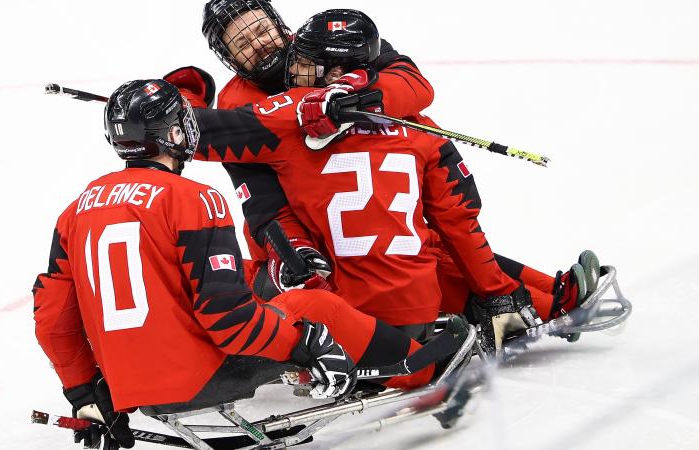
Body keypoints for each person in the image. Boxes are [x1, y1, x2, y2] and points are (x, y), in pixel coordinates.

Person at [33, 79, 463, 449]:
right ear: (179, 134)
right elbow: (228, 319)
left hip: (127, 387)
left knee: (236, 273)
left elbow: (52, 320)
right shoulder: (193, 199)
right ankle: (423, 368)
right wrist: (305, 343)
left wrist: (85, 393)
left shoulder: (75, 212)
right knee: (313, 308)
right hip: (199, 379)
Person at [166, 0, 436, 301]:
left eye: (261, 29)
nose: (259, 44)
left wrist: (349, 95)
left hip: (387, 228)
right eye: (243, 42)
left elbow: (415, 84)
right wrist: (293, 247)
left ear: (278, 23)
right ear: (228, 58)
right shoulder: (236, 103)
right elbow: (261, 196)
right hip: (310, 248)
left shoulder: (331, 41)